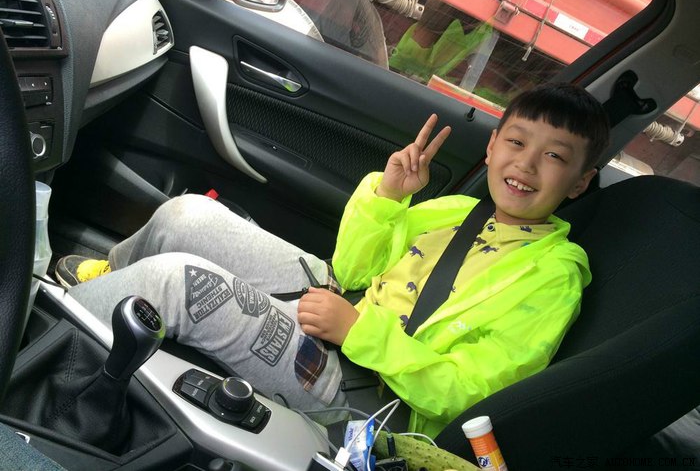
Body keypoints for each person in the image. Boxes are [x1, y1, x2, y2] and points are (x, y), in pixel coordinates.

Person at [55, 83, 609, 438]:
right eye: (517, 143)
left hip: (374, 390)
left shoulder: (554, 276)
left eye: (554, 156)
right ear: (491, 147)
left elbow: (473, 391)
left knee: (177, 284)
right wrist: (388, 196)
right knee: (188, 215)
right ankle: (104, 285)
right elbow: (353, 269)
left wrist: (358, 333)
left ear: (580, 183)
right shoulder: (459, 211)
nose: (527, 165)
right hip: (346, 307)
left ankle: (44, 352)